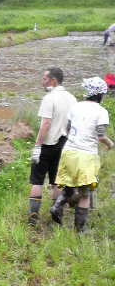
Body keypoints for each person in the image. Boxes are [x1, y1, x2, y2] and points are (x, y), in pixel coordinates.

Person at [51, 77, 114, 231]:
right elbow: (100, 136)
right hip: (86, 156)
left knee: (69, 186)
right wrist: (110, 144)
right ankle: (80, 229)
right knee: (85, 193)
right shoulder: (101, 111)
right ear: (100, 94)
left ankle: (57, 206)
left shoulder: (76, 107)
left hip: (69, 152)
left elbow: (67, 129)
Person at [27, 67, 77, 226]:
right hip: (63, 143)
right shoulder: (71, 98)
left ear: (53, 81)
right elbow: (72, 124)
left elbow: (46, 124)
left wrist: (37, 146)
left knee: (37, 181)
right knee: (56, 181)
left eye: (44, 78)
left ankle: (33, 216)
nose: (42, 81)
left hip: (47, 144)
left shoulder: (49, 98)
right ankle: (56, 214)